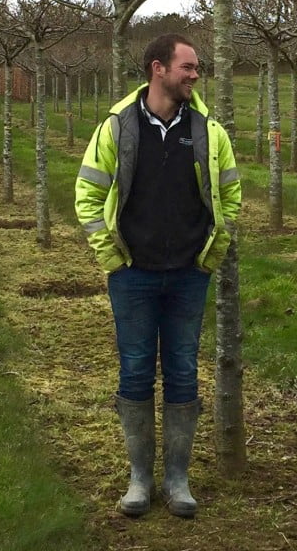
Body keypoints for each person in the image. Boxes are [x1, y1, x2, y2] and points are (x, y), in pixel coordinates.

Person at [75, 33, 241, 520]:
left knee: (184, 371)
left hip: (190, 274)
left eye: (197, 69)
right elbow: (87, 194)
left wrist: (212, 254)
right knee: (135, 370)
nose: (195, 75)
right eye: (187, 67)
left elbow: (230, 197)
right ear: (157, 68)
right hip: (133, 275)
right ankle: (139, 479)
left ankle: (178, 479)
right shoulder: (118, 127)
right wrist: (111, 256)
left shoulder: (209, 132)